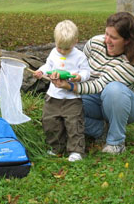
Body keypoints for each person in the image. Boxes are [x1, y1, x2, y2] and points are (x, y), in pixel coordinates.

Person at [50, 12, 134, 154]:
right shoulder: (94, 43)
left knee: (113, 89)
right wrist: (68, 77)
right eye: (106, 34)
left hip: (123, 103)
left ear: (127, 40)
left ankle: (116, 143)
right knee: (63, 105)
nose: (107, 40)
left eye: (113, 38)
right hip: (93, 98)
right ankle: (100, 130)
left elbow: (100, 84)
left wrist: (71, 86)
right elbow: (80, 68)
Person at [33, 20, 91, 162]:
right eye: (60, 48)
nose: (63, 51)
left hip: (72, 99)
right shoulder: (54, 52)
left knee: (74, 124)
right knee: (50, 122)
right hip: (53, 97)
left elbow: (86, 72)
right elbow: (48, 66)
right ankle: (56, 147)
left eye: (67, 48)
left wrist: (79, 77)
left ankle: (76, 150)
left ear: (75, 41)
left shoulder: (79, 56)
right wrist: (41, 71)